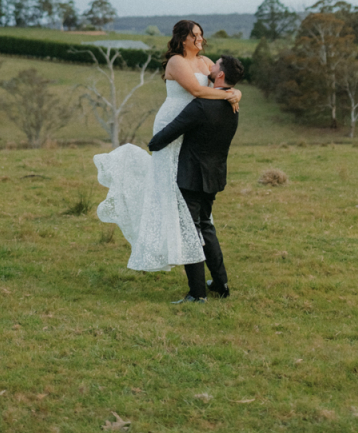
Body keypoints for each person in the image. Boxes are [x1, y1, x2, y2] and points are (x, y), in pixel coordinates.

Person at [94, 21, 241, 276]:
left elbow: (221, 83)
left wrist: (236, 92)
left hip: (195, 123)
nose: (200, 39)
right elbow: (197, 90)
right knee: (170, 187)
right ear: (182, 39)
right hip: (174, 122)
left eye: (201, 34)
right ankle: (175, 244)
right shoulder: (176, 61)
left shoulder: (206, 62)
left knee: (188, 190)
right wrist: (230, 95)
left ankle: (190, 242)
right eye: (194, 35)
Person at [148, 53, 245, 303]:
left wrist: (153, 144)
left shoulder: (201, 105)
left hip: (191, 176)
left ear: (220, 74)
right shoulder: (233, 105)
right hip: (215, 175)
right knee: (206, 226)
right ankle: (221, 284)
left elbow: (170, 132)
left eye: (216, 65)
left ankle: (197, 293)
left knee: (189, 232)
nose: (210, 66)